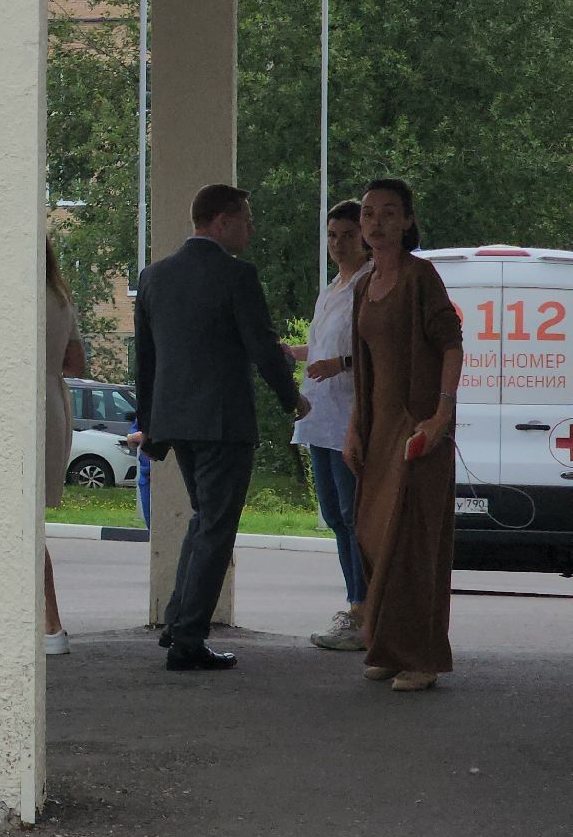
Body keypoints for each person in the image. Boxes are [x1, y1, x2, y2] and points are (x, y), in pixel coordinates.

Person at [134, 184, 309, 672]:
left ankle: (176, 622)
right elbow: (263, 345)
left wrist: (149, 424)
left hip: (175, 422)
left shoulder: (154, 277)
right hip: (223, 422)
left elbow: (144, 360)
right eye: (246, 219)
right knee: (216, 525)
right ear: (222, 220)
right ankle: (189, 639)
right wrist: (291, 397)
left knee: (202, 518)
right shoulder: (236, 276)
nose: (251, 228)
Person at [344, 178, 463, 692]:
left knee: (413, 542)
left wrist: (441, 416)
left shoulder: (422, 277)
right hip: (377, 429)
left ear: (408, 221)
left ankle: (422, 658)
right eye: (369, 213)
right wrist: (354, 425)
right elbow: (364, 365)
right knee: (372, 535)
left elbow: (453, 345)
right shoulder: (363, 285)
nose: (376, 222)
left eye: (389, 213)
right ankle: (388, 647)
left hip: (418, 427)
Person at [288, 199, 372, 652]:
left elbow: (376, 351)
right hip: (318, 415)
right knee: (336, 517)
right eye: (333, 235)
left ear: (364, 238)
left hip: (351, 416)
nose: (338, 244)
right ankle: (355, 602)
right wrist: (292, 352)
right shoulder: (331, 288)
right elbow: (321, 345)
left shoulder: (369, 283)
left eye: (347, 235)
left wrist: (339, 363)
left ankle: (366, 609)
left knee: (355, 515)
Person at [42, 239, 86, 656]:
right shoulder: (60, 297)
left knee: (12, 524)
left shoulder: (17, 294)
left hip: (22, 408)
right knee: (28, 523)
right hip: (53, 405)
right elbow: (77, 364)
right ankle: (50, 624)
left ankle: (50, 624)